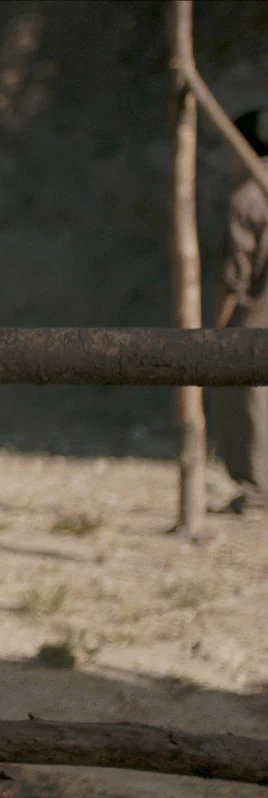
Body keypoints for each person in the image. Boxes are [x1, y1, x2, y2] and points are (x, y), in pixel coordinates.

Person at [212, 108, 267, 515]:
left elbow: (235, 277)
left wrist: (216, 328)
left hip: (256, 323)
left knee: (248, 404)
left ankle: (256, 489)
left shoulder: (248, 197)